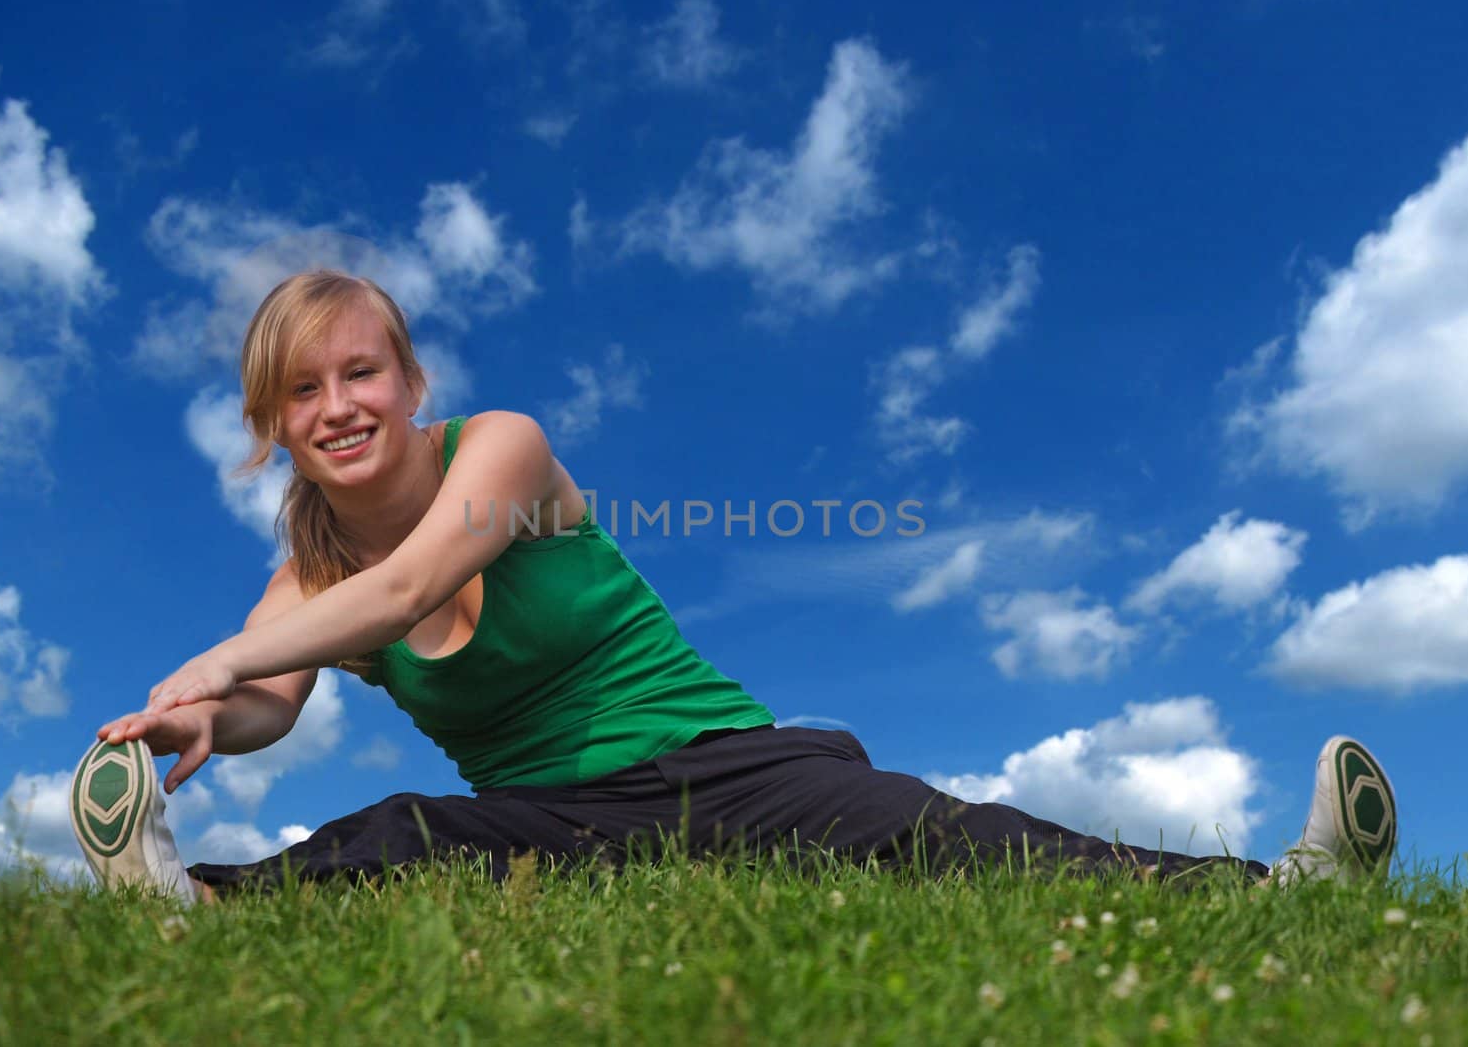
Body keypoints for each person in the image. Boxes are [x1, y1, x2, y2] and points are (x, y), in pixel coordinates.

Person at [70, 270, 1398, 905]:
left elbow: (412, 578)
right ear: (274, 421)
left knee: (925, 830)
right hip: (556, 814)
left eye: (360, 372)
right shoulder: (308, 570)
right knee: (399, 831)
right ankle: (185, 903)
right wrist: (202, 718)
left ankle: (1279, 887)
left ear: (409, 383)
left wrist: (227, 661)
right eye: (303, 390)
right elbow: (269, 700)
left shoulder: (503, 449)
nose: (339, 404)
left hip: (726, 763)